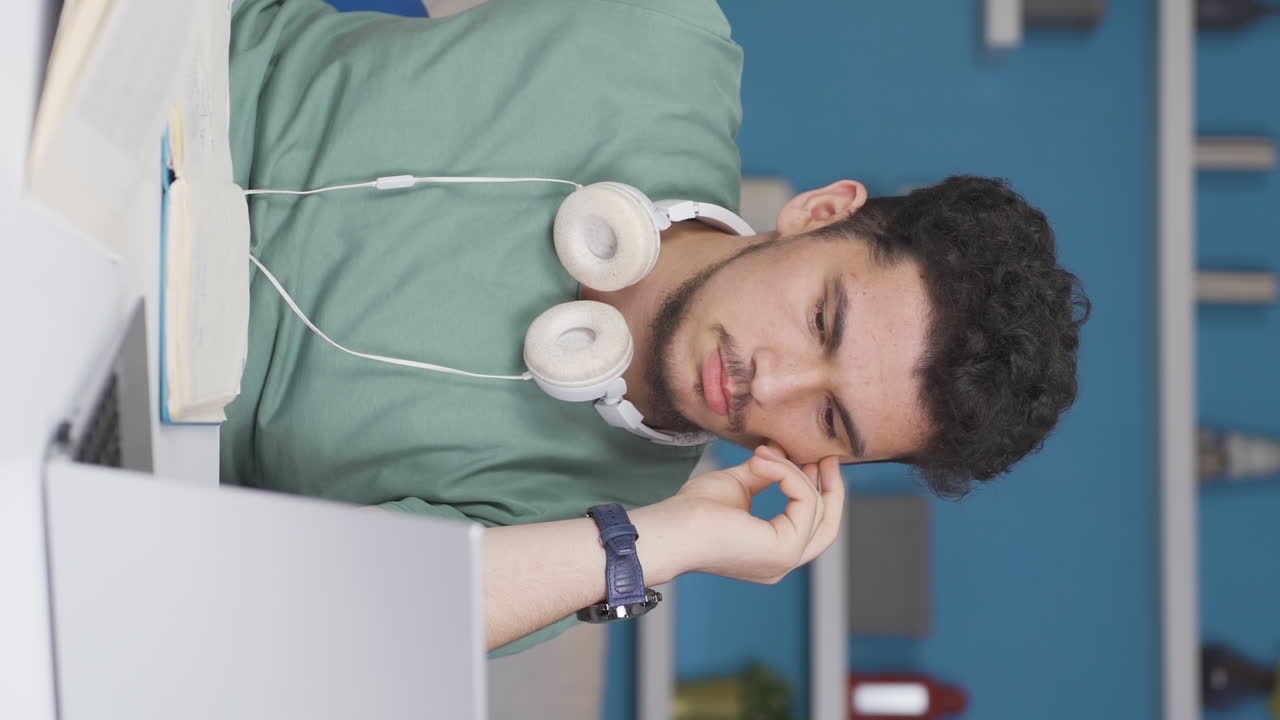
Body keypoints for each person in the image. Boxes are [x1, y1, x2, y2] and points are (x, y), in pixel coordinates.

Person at [222, 0, 1090, 655]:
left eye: (828, 420)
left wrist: (674, 538)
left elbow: (327, 619)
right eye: (822, 320)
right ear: (821, 212)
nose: (771, 382)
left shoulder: (592, 535)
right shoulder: (666, 33)